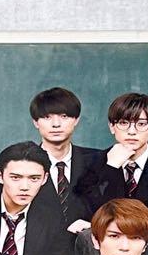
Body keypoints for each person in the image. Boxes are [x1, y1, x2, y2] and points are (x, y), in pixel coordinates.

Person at [73, 91, 148, 255]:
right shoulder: (92, 163)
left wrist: (121, 233)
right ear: (112, 127)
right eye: (124, 123)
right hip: (104, 253)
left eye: (141, 124)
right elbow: (89, 211)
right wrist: (112, 168)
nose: (132, 131)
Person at [0, 141, 74, 255]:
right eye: (16, 178)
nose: (25, 187)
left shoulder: (51, 217)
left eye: (34, 178)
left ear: (45, 178)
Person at [28, 86, 99, 233]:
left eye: (64, 116)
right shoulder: (22, 163)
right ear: (35, 122)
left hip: (86, 243)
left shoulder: (96, 161)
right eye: (47, 117)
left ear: (76, 120)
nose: (56, 124)